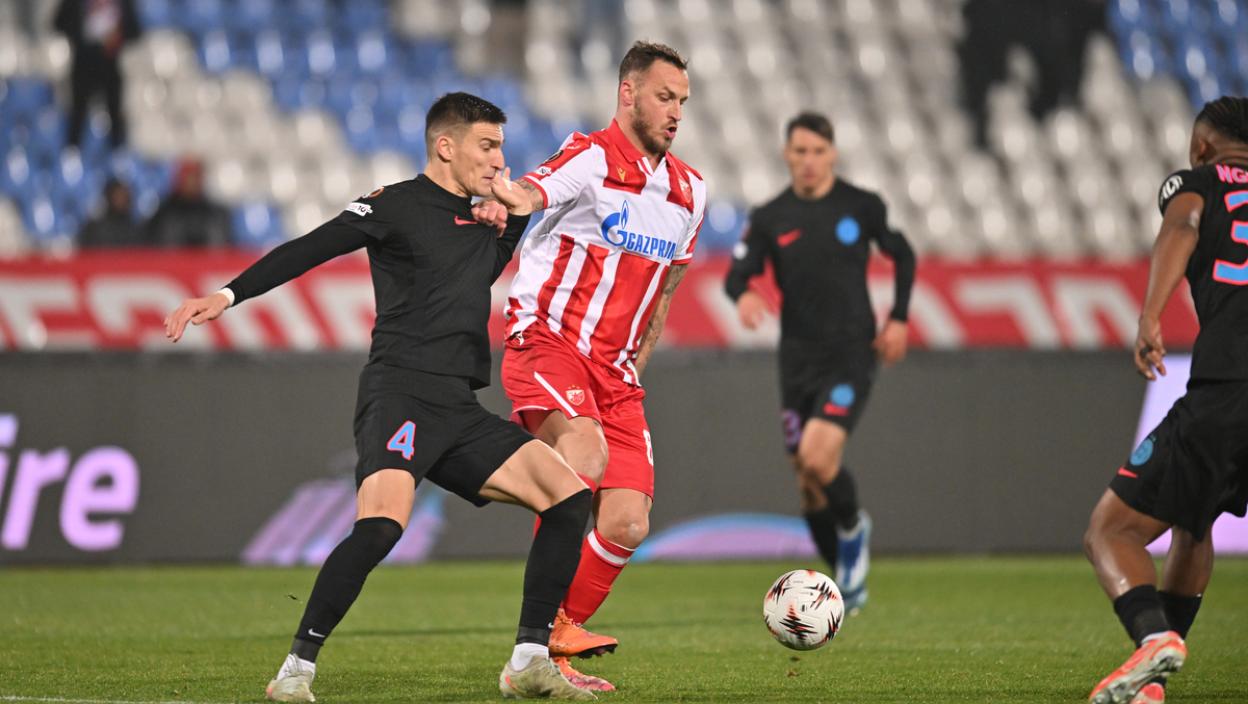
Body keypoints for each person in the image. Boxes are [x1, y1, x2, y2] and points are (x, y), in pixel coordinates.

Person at [163, 93, 597, 702]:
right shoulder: (395, 204)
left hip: (459, 408)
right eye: (487, 146)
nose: (499, 159)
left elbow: (490, 261)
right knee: (380, 528)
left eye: (500, 147)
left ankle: (528, 660)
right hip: (401, 394)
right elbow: (311, 246)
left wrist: (512, 213)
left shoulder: (483, 220)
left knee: (569, 496)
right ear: (445, 146)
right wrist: (228, 295)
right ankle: (295, 671)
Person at [475, 40, 705, 692]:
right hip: (548, 342)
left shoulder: (691, 192)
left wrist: (634, 369)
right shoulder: (590, 155)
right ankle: (532, 631)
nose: (676, 111)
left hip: (616, 375)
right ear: (627, 93)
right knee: (585, 453)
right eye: (664, 97)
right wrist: (507, 197)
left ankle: (550, 644)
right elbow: (534, 191)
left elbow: (663, 295)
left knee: (629, 523)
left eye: (682, 101)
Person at [1083, 96, 1248, 704]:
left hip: (1230, 385)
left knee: (1111, 530)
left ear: (1202, 146)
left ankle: (1153, 638)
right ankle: (1152, 681)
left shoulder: (1197, 181)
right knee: (1194, 522)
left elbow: (1182, 226)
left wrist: (1150, 314)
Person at [723, 111, 915, 614]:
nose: (809, 161)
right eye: (800, 151)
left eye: (818, 151)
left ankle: (853, 528)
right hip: (797, 359)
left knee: (817, 458)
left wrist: (898, 318)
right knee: (807, 484)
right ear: (787, 155)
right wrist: (745, 294)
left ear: (833, 155)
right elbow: (736, 274)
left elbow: (903, 253)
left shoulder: (862, 205)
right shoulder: (771, 216)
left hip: (851, 352)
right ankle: (845, 587)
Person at [54, 0, 141, 151]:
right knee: (77, 115)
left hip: (111, 64)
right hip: (82, 64)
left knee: (115, 114)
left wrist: (118, 36)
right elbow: (58, 23)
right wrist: (80, 37)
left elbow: (135, 30)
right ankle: (72, 154)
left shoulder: (123, 3)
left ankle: (117, 154)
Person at [145, 158, 234, 248]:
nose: (191, 182)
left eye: (195, 176)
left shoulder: (215, 214)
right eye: (187, 176)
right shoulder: (164, 214)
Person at [78, 177, 142, 248]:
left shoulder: (136, 230)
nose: (121, 200)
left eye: (124, 196)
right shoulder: (94, 229)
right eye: (117, 196)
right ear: (109, 197)